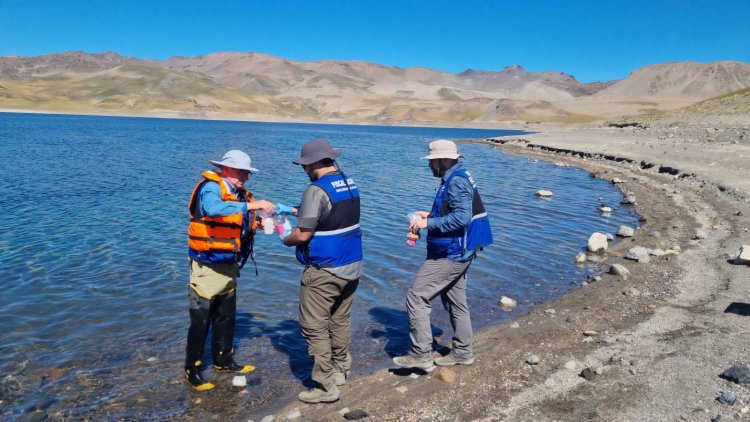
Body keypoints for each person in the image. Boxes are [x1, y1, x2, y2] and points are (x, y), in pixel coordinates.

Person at [393, 140, 493, 369]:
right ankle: (463, 352)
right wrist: (430, 215)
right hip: (462, 250)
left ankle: (421, 354)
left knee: (417, 297)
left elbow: (462, 218)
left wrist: (427, 223)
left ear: (444, 160)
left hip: (451, 253)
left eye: (432, 162)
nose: (429, 166)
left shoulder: (456, 181)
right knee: (456, 302)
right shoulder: (459, 176)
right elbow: (456, 212)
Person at [185, 150, 276, 391]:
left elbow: (239, 219)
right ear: (225, 169)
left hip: (228, 263)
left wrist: (263, 221)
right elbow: (213, 209)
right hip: (206, 264)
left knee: (226, 315)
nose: (245, 177)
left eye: (247, 173)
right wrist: (252, 205)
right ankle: (192, 369)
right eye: (241, 172)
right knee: (201, 319)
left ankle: (223, 361)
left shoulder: (238, 193)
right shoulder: (210, 188)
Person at [280, 139, 362, 404]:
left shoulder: (314, 189)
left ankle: (326, 386)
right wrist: (292, 210)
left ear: (314, 163)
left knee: (313, 326)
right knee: (339, 320)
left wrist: (285, 237)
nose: (304, 170)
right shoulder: (349, 183)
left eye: (305, 165)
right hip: (352, 265)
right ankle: (341, 369)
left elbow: (303, 235)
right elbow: (330, 215)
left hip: (324, 270)